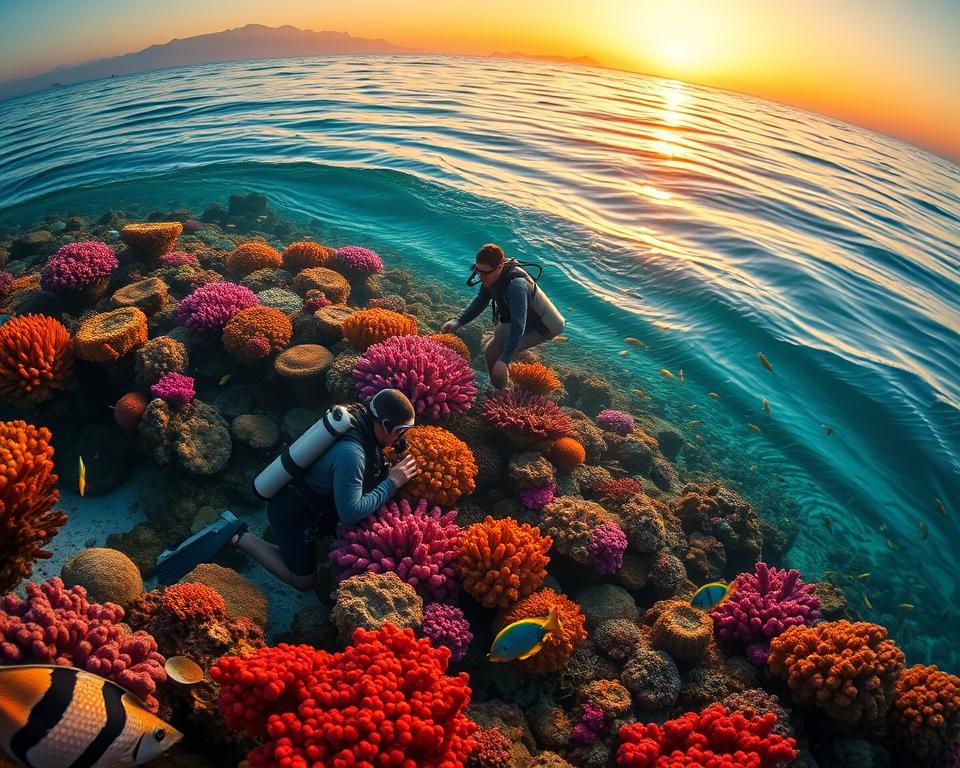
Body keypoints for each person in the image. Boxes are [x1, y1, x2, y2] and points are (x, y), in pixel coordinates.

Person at [155, 389, 419, 591]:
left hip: (298, 500)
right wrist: (392, 482)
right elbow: (351, 513)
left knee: (301, 559)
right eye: (401, 430)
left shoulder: (358, 422)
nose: (401, 437)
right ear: (384, 425)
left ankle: (262, 542)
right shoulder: (352, 454)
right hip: (291, 514)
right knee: (305, 581)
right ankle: (237, 536)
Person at [441, 244, 565, 389]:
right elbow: (481, 300)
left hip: (543, 327)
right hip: (516, 317)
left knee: (498, 354)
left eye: (485, 273)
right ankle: (498, 387)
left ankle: (501, 393)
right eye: (477, 270)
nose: (481, 276)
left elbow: (518, 327)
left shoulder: (517, 286)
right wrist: (458, 320)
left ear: (500, 266)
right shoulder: (490, 276)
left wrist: (504, 360)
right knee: (490, 350)